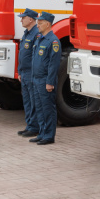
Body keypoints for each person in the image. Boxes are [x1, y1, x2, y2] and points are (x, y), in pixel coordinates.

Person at [30, 11, 61, 145]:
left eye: (40, 23)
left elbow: (53, 65)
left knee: (47, 108)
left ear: (48, 24)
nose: (38, 25)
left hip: (45, 80)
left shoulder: (53, 42)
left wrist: (49, 82)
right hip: (36, 79)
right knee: (40, 108)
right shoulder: (40, 39)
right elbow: (34, 61)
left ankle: (49, 135)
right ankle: (42, 133)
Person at [15, 9, 40, 137]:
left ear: (30, 19)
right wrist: (19, 71)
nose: (21, 20)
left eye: (23, 17)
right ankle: (29, 125)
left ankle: (35, 126)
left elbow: (35, 57)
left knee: (33, 100)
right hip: (24, 73)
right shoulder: (26, 33)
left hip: (31, 73)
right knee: (27, 101)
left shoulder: (36, 34)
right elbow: (22, 55)